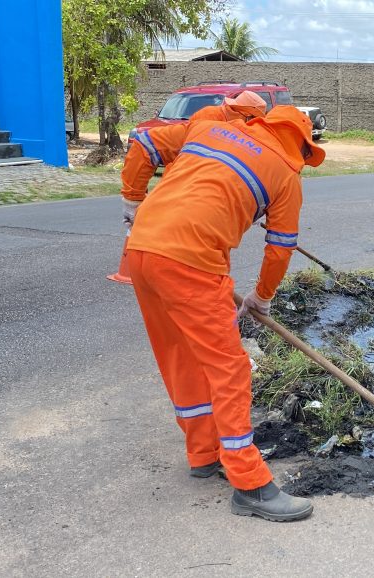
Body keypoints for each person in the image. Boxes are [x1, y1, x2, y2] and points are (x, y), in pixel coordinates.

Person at [119, 105, 325, 522]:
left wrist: (132, 200)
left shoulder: (209, 130)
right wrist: (261, 298)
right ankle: (250, 485)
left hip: (140, 251)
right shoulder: (285, 175)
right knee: (230, 369)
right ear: (301, 145)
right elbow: (281, 247)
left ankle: (203, 455)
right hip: (192, 263)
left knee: (182, 356)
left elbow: (142, 140)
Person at [187, 90, 267, 123]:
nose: (251, 123)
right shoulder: (209, 117)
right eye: (253, 119)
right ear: (246, 114)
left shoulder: (230, 121)